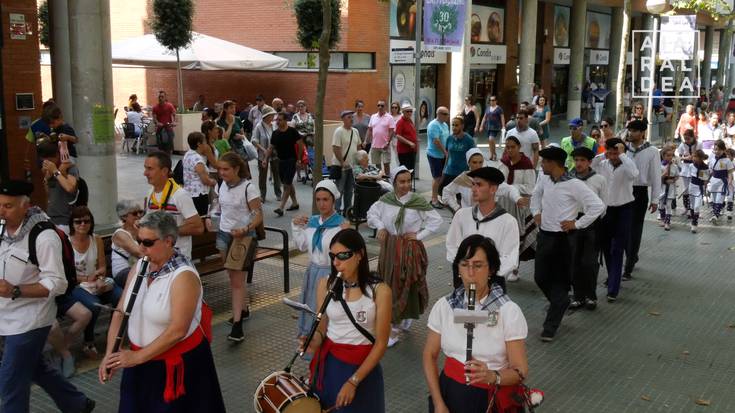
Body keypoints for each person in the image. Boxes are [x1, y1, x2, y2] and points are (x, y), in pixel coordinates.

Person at [99, 212, 226, 412]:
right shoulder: (141, 265)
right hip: (140, 364)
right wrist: (110, 354)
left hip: (176, 369)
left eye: (147, 242)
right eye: (139, 240)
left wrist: (136, 358)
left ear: (168, 241)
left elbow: (177, 330)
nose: (141, 248)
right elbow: (120, 312)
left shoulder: (183, 276)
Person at [0, 180, 96, 413]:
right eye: (0, 205)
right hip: (5, 316)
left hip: (30, 320)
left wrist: (15, 290)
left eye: (8, 206)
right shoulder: (2, 228)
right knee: (34, 368)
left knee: (11, 383)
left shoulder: (43, 236)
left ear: (26, 206)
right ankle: (77, 404)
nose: (1, 211)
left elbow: (57, 283)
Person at [424, 235, 529, 413]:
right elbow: (429, 354)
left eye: (478, 265)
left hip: (490, 398)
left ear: (491, 270)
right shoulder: (445, 306)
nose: (471, 273)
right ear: (458, 269)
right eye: (465, 265)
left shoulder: (508, 311)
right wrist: (438, 403)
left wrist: (492, 376)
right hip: (449, 393)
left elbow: (520, 370)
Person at [302, 229, 391, 412]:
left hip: (363, 368)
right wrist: (313, 341)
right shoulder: (326, 284)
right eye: (333, 256)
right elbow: (322, 327)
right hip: (331, 365)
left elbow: (381, 344)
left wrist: (354, 381)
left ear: (360, 255)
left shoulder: (380, 291)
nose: (336, 262)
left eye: (343, 256)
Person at [530, 146, 604, 341]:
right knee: (540, 277)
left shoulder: (574, 184)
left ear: (553, 163)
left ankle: (550, 327)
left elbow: (597, 206)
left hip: (564, 240)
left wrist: (577, 224)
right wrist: (536, 212)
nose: (541, 164)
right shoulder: (544, 178)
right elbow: (536, 194)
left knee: (561, 281)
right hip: (545, 236)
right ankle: (560, 303)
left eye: (544, 161)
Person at [367, 166, 442, 346]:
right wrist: (381, 227)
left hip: (409, 248)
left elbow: (436, 221)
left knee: (405, 282)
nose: (406, 185)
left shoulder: (417, 201)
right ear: (393, 182)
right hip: (390, 248)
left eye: (409, 181)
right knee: (389, 283)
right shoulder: (385, 200)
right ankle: (396, 320)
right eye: (402, 181)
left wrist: (419, 236)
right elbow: (372, 214)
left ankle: (397, 323)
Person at [206, 152, 263, 342]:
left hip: (242, 237)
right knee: (232, 276)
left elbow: (258, 216)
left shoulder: (249, 188)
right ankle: (243, 309)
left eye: (225, 169)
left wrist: (245, 228)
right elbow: (219, 206)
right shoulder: (222, 185)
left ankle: (237, 325)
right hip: (224, 234)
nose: (221, 173)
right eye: (219, 169)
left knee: (237, 281)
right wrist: (210, 216)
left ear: (236, 169)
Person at [446, 166, 521, 290]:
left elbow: (510, 258)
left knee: (490, 310)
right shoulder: (462, 215)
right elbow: (452, 245)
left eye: (479, 185)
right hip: (464, 280)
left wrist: (484, 273)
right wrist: (465, 268)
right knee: (466, 307)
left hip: (492, 283)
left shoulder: (508, 221)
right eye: (473, 185)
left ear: (493, 189)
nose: (473, 189)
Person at [292, 180, 348, 338]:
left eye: (325, 199)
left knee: (327, 312)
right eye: (318, 199)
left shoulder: (341, 226)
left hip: (331, 274)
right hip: (313, 272)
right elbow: (302, 246)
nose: (321, 204)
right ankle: (311, 344)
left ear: (333, 200)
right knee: (312, 308)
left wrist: (348, 235)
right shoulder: (312, 222)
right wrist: (296, 227)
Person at [68, 206, 123, 357]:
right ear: (71, 224)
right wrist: (86, 279)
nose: (82, 225)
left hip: (97, 284)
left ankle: (113, 334)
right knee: (93, 305)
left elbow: (102, 267)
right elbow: (67, 275)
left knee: (120, 296)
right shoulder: (66, 243)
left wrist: (99, 278)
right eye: (78, 221)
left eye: (86, 221)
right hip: (77, 286)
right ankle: (88, 341)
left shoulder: (96, 239)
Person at [591, 138, 638, 302]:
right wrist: (604, 153)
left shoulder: (627, 164)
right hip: (606, 211)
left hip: (624, 209)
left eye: (615, 153)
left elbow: (634, 174)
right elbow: (590, 165)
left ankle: (613, 289)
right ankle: (613, 278)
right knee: (606, 248)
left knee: (617, 249)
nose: (612, 156)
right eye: (610, 153)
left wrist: (622, 154)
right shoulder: (603, 165)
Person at [144, 151, 204, 260]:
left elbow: (198, 227)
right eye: (145, 168)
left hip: (178, 258)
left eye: (150, 169)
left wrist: (166, 231)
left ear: (164, 171)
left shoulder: (180, 195)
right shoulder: (150, 193)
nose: (145, 173)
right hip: (157, 256)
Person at [569, 147, 608, 309]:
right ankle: (578, 296)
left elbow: (604, 205)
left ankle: (591, 296)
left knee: (590, 262)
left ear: (590, 162)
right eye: (576, 160)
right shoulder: (569, 179)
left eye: (582, 160)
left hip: (592, 224)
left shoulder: (599, 180)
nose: (578, 163)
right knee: (574, 260)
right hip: (572, 223)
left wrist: (591, 219)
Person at [623, 120, 661, 281]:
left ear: (642, 133)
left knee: (635, 230)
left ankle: (629, 265)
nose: (630, 133)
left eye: (633, 130)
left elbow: (656, 175)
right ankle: (631, 254)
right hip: (623, 191)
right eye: (629, 130)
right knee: (623, 228)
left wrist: (655, 199)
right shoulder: (624, 149)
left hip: (640, 192)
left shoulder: (652, 151)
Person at [498, 136, 537, 280]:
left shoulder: (527, 165)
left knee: (517, 236)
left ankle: (515, 268)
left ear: (519, 147)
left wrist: (511, 188)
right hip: (503, 204)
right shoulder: (504, 162)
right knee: (503, 236)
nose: (509, 150)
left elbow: (530, 187)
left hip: (519, 205)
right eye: (507, 147)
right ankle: (503, 265)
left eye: (512, 147)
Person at [37, 140, 79, 234]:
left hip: (66, 221)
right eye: (44, 161)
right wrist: (46, 178)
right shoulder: (50, 169)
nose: (47, 163)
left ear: (57, 155)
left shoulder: (70, 167)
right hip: (51, 217)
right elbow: (49, 193)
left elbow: (70, 188)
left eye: (50, 160)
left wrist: (56, 172)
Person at [269, 112, 305, 216]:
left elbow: (301, 145)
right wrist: (265, 159)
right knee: (288, 183)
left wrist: (298, 160)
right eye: (277, 120)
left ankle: (281, 207)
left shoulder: (292, 131)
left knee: (286, 184)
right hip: (280, 161)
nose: (278, 122)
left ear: (285, 120)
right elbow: (271, 147)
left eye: (280, 120)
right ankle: (295, 203)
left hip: (291, 160)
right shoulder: (275, 133)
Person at [332, 110, 361, 214]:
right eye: (349, 117)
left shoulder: (355, 131)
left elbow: (358, 147)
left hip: (352, 167)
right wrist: (342, 161)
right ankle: (336, 212)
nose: (351, 119)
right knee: (339, 190)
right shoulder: (339, 131)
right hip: (341, 166)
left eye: (352, 117)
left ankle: (347, 211)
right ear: (343, 119)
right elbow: (335, 148)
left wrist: (359, 162)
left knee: (349, 190)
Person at [183, 132, 217, 216]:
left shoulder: (187, 154)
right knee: (201, 218)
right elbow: (205, 180)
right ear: (199, 144)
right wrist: (213, 182)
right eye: (205, 142)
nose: (206, 145)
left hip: (188, 192)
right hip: (199, 194)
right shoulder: (197, 159)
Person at [112, 200, 144, 287]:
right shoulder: (120, 234)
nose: (139, 216)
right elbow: (140, 253)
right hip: (122, 272)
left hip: (137, 268)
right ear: (124, 216)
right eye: (134, 213)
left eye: (140, 212)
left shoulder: (139, 230)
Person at [253, 105, 282, 203]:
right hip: (263, 154)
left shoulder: (274, 125)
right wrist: (263, 149)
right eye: (271, 115)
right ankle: (262, 195)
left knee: (277, 174)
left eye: (273, 115)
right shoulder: (258, 126)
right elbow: (254, 141)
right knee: (262, 176)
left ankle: (278, 194)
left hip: (275, 154)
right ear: (266, 116)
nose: (273, 117)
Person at [442, 117, 477, 194]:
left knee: (460, 197)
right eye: (453, 125)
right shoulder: (449, 138)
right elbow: (448, 155)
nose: (454, 127)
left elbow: (474, 156)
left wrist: (473, 172)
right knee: (447, 194)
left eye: (456, 125)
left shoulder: (468, 140)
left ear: (462, 126)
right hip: (450, 171)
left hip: (463, 172)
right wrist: (444, 170)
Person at [427, 107, 451, 208]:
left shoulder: (445, 125)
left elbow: (447, 138)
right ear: (439, 114)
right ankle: (433, 200)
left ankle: (437, 195)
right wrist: (445, 152)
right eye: (445, 114)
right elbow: (436, 141)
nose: (447, 116)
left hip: (442, 155)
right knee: (437, 177)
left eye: (447, 114)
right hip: (435, 155)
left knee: (441, 176)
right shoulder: (433, 125)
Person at [366, 100, 396, 176]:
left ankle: (388, 179)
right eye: (378, 105)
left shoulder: (389, 117)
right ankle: (380, 179)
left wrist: (388, 143)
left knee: (386, 164)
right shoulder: (373, 116)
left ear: (385, 107)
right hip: (375, 145)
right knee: (377, 164)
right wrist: (366, 141)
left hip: (385, 145)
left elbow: (391, 131)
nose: (380, 107)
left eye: (382, 105)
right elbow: (369, 129)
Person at [708, 140, 734, 224]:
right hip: (714, 181)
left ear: (723, 150)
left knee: (719, 199)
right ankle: (716, 213)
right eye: (715, 149)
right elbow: (710, 171)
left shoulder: (727, 161)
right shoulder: (712, 159)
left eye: (719, 149)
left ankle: (715, 216)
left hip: (723, 182)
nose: (717, 151)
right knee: (714, 200)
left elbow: (730, 173)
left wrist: (729, 181)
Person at [677, 129, 701, 215]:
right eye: (685, 138)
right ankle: (686, 207)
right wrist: (685, 158)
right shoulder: (682, 145)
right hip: (686, 167)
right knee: (686, 189)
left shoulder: (698, 144)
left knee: (694, 188)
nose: (686, 140)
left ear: (692, 137)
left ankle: (693, 207)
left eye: (688, 139)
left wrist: (693, 157)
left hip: (695, 167)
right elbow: (679, 156)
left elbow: (700, 155)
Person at [687, 149, 710, 233]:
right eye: (693, 156)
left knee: (697, 207)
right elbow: (690, 176)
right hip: (691, 187)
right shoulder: (691, 166)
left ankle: (694, 223)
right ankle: (693, 221)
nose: (694, 158)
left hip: (699, 188)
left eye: (695, 157)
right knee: (692, 206)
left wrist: (705, 184)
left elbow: (705, 180)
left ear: (700, 158)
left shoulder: (705, 167)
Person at [657, 146, 679, 231]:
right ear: (663, 156)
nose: (670, 157)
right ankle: (662, 219)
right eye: (668, 155)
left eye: (671, 155)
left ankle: (667, 222)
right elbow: (657, 178)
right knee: (661, 204)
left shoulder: (675, 166)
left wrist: (673, 180)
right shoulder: (659, 166)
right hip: (662, 188)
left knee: (668, 205)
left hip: (670, 188)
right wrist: (664, 174)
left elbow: (677, 176)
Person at [479, 96, 505, 161]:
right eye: (490, 100)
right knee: (490, 142)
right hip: (488, 126)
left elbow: (502, 117)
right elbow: (484, 117)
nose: (491, 101)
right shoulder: (488, 108)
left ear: (496, 101)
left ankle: (494, 153)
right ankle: (492, 154)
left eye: (493, 100)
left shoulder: (499, 109)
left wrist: (503, 126)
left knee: (491, 139)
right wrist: (481, 126)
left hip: (495, 127)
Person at [395, 103, 418, 170]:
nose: (409, 113)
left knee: (411, 169)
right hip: (404, 151)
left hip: (412, 150)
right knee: (405, 170)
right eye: (407, 111)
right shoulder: (400, 122)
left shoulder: (410, 120)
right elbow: (398, 135)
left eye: (411, 111)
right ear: (403, 112)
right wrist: (409, 142)